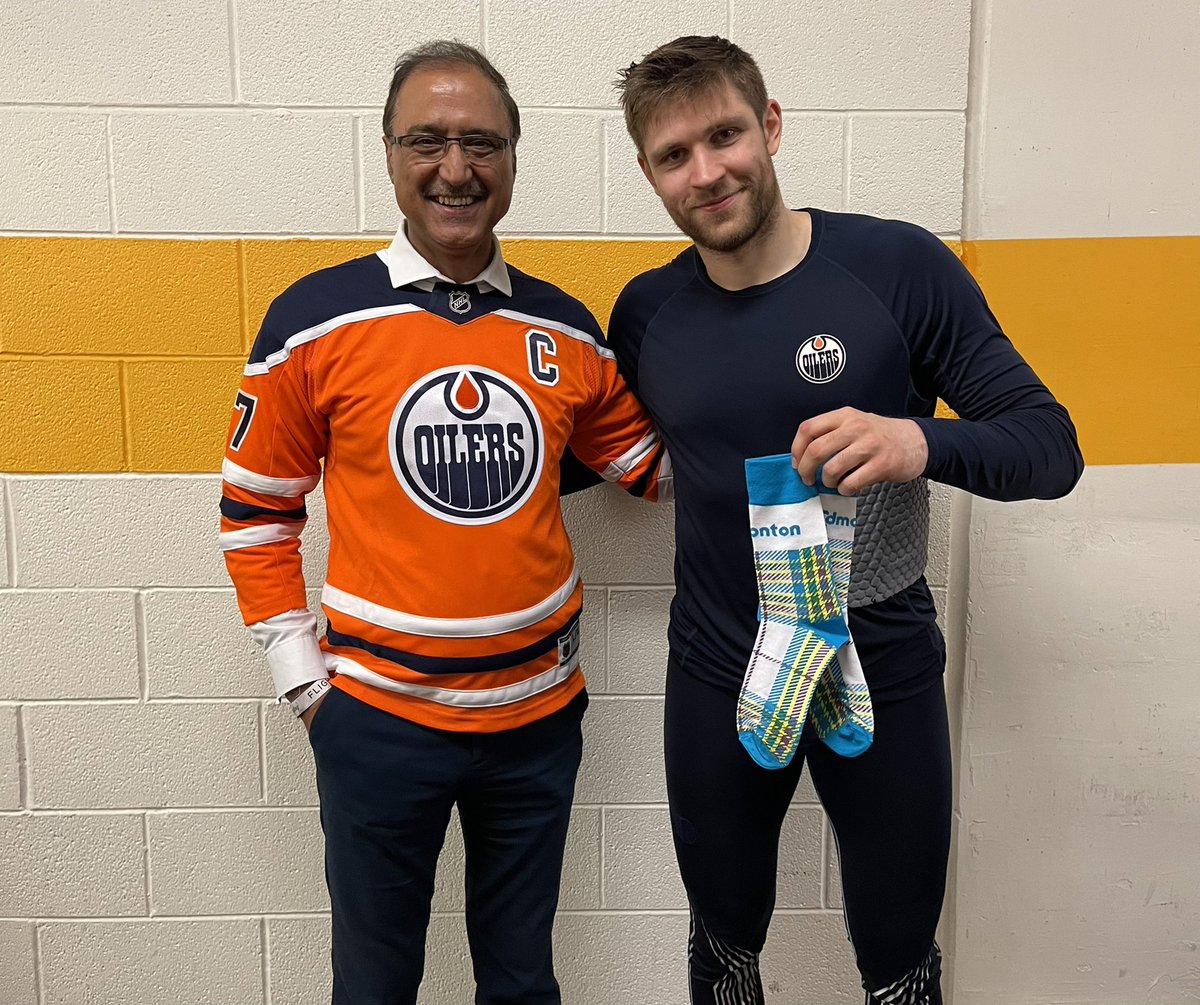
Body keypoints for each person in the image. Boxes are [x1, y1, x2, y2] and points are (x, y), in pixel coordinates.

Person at [606, 35, 1084, 1005]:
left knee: (901, 954)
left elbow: (1051, 447)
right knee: (724, 940)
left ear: (771, 127)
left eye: (725, 135)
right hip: (719, 669)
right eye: (673, 154)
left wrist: (922, 443)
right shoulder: (648, 312)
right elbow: (598, 452)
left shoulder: (897, 267)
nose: (707, 172)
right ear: (650, 173)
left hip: (884, 665)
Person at [218, 40, 669, 1005]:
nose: (455, 168)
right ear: (388, 154)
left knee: (520, 979)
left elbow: (651, 469)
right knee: (376, 983)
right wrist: (307, 688)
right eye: (427, 140)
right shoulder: (312, 321)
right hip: (375, 724)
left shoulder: (566, 329)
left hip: (538, 722)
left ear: (512, 160)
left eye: (482, 143)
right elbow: (256, 511)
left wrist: (774, 381)